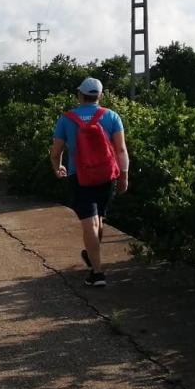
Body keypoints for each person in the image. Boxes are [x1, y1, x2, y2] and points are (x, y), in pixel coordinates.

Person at [49, 77, 129, 287]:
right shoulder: (111, 116)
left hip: (79, 176)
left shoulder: (67, 119)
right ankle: (93, 258)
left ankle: (97, 273)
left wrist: (58, 168)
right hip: (106, 176)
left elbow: (56, 151)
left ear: (79, 95)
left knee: (89, 223)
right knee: (99, 219)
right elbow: (120, 150)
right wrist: (124, 175)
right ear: (100, 96)